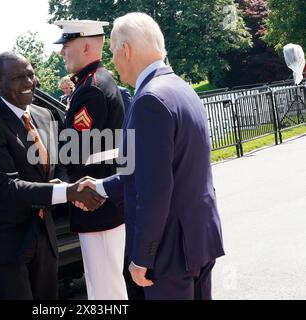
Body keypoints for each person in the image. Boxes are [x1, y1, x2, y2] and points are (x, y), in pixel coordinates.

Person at [76, 12, 225, 300]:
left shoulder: (149, 100)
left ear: (126, 50)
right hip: (197, 240)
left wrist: (143, 256)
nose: (113, 62)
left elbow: (154, 190)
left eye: (113, 52)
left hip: (170, 253)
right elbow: (155, 172)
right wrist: (100, 186)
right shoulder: (181, 88)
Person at [0, 52, 105, 300]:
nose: (29, 82)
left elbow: (59, 163)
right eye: (19, 77)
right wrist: (66, 192)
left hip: (43, 233)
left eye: (30, 74)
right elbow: (8, 186)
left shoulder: (44, 115)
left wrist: (65, 184)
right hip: (5, 241)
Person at [54, 20, 128, 300]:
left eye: (66, 45)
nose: (62, 52)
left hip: (95, 200)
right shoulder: (94, 82)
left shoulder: (91, 88)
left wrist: (64, 184)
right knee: (104, 282)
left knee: (105, 288)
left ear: (85, 45)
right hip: (100, 198)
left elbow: (74, 150)